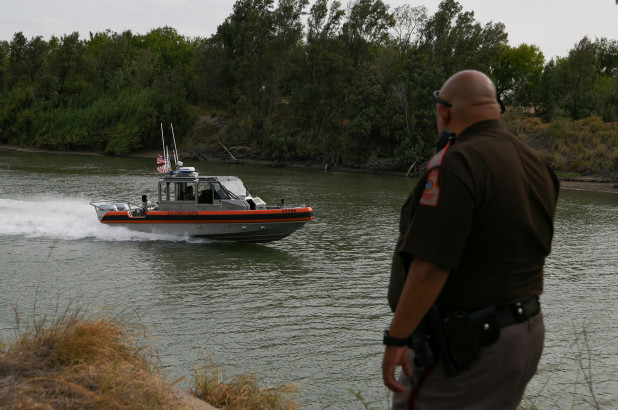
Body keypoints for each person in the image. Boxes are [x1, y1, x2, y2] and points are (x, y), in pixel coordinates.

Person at [381, 70, 559, 409]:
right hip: (525, 333)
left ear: (444, 112)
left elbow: (431, 266)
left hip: (471, 347)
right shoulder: (535, 163)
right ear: (495, 109)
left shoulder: (456, 165)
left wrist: (398, 336)